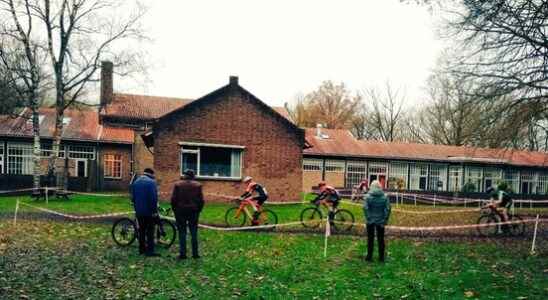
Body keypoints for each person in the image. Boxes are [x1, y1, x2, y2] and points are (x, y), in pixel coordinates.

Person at [171, 169, 204, 260]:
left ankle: (183, 254)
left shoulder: (177, 185)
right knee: (194, 232)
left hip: (180, 211)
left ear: (184, 175)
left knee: (182, 232)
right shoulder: (198, 185)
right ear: (193, 176)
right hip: (193, 211)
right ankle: (195, 253)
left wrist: (175, 210)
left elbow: (173, 199)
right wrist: (198, 210)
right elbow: (201, 200)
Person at [130, 168, 160, 257]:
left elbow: (133, 198)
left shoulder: (136, 182)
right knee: (150, 231)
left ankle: (141, 249)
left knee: (141, 230)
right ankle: (150, 251)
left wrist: (136, 208)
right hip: (149, 212)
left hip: (139, 211)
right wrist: (154, 211)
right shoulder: (152, 183)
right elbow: (153, 198)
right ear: (151, 174)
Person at [363, 180, 391, 262]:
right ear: (380, 187)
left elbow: (365, 208)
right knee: (381, 239)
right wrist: (385, 219)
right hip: (381, 221)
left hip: (370, 221)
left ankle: (369, 256)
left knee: (370, 239)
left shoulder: (367, 197)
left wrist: (368, 218)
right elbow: (388, 209)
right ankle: (381, 257)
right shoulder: (385, 197)